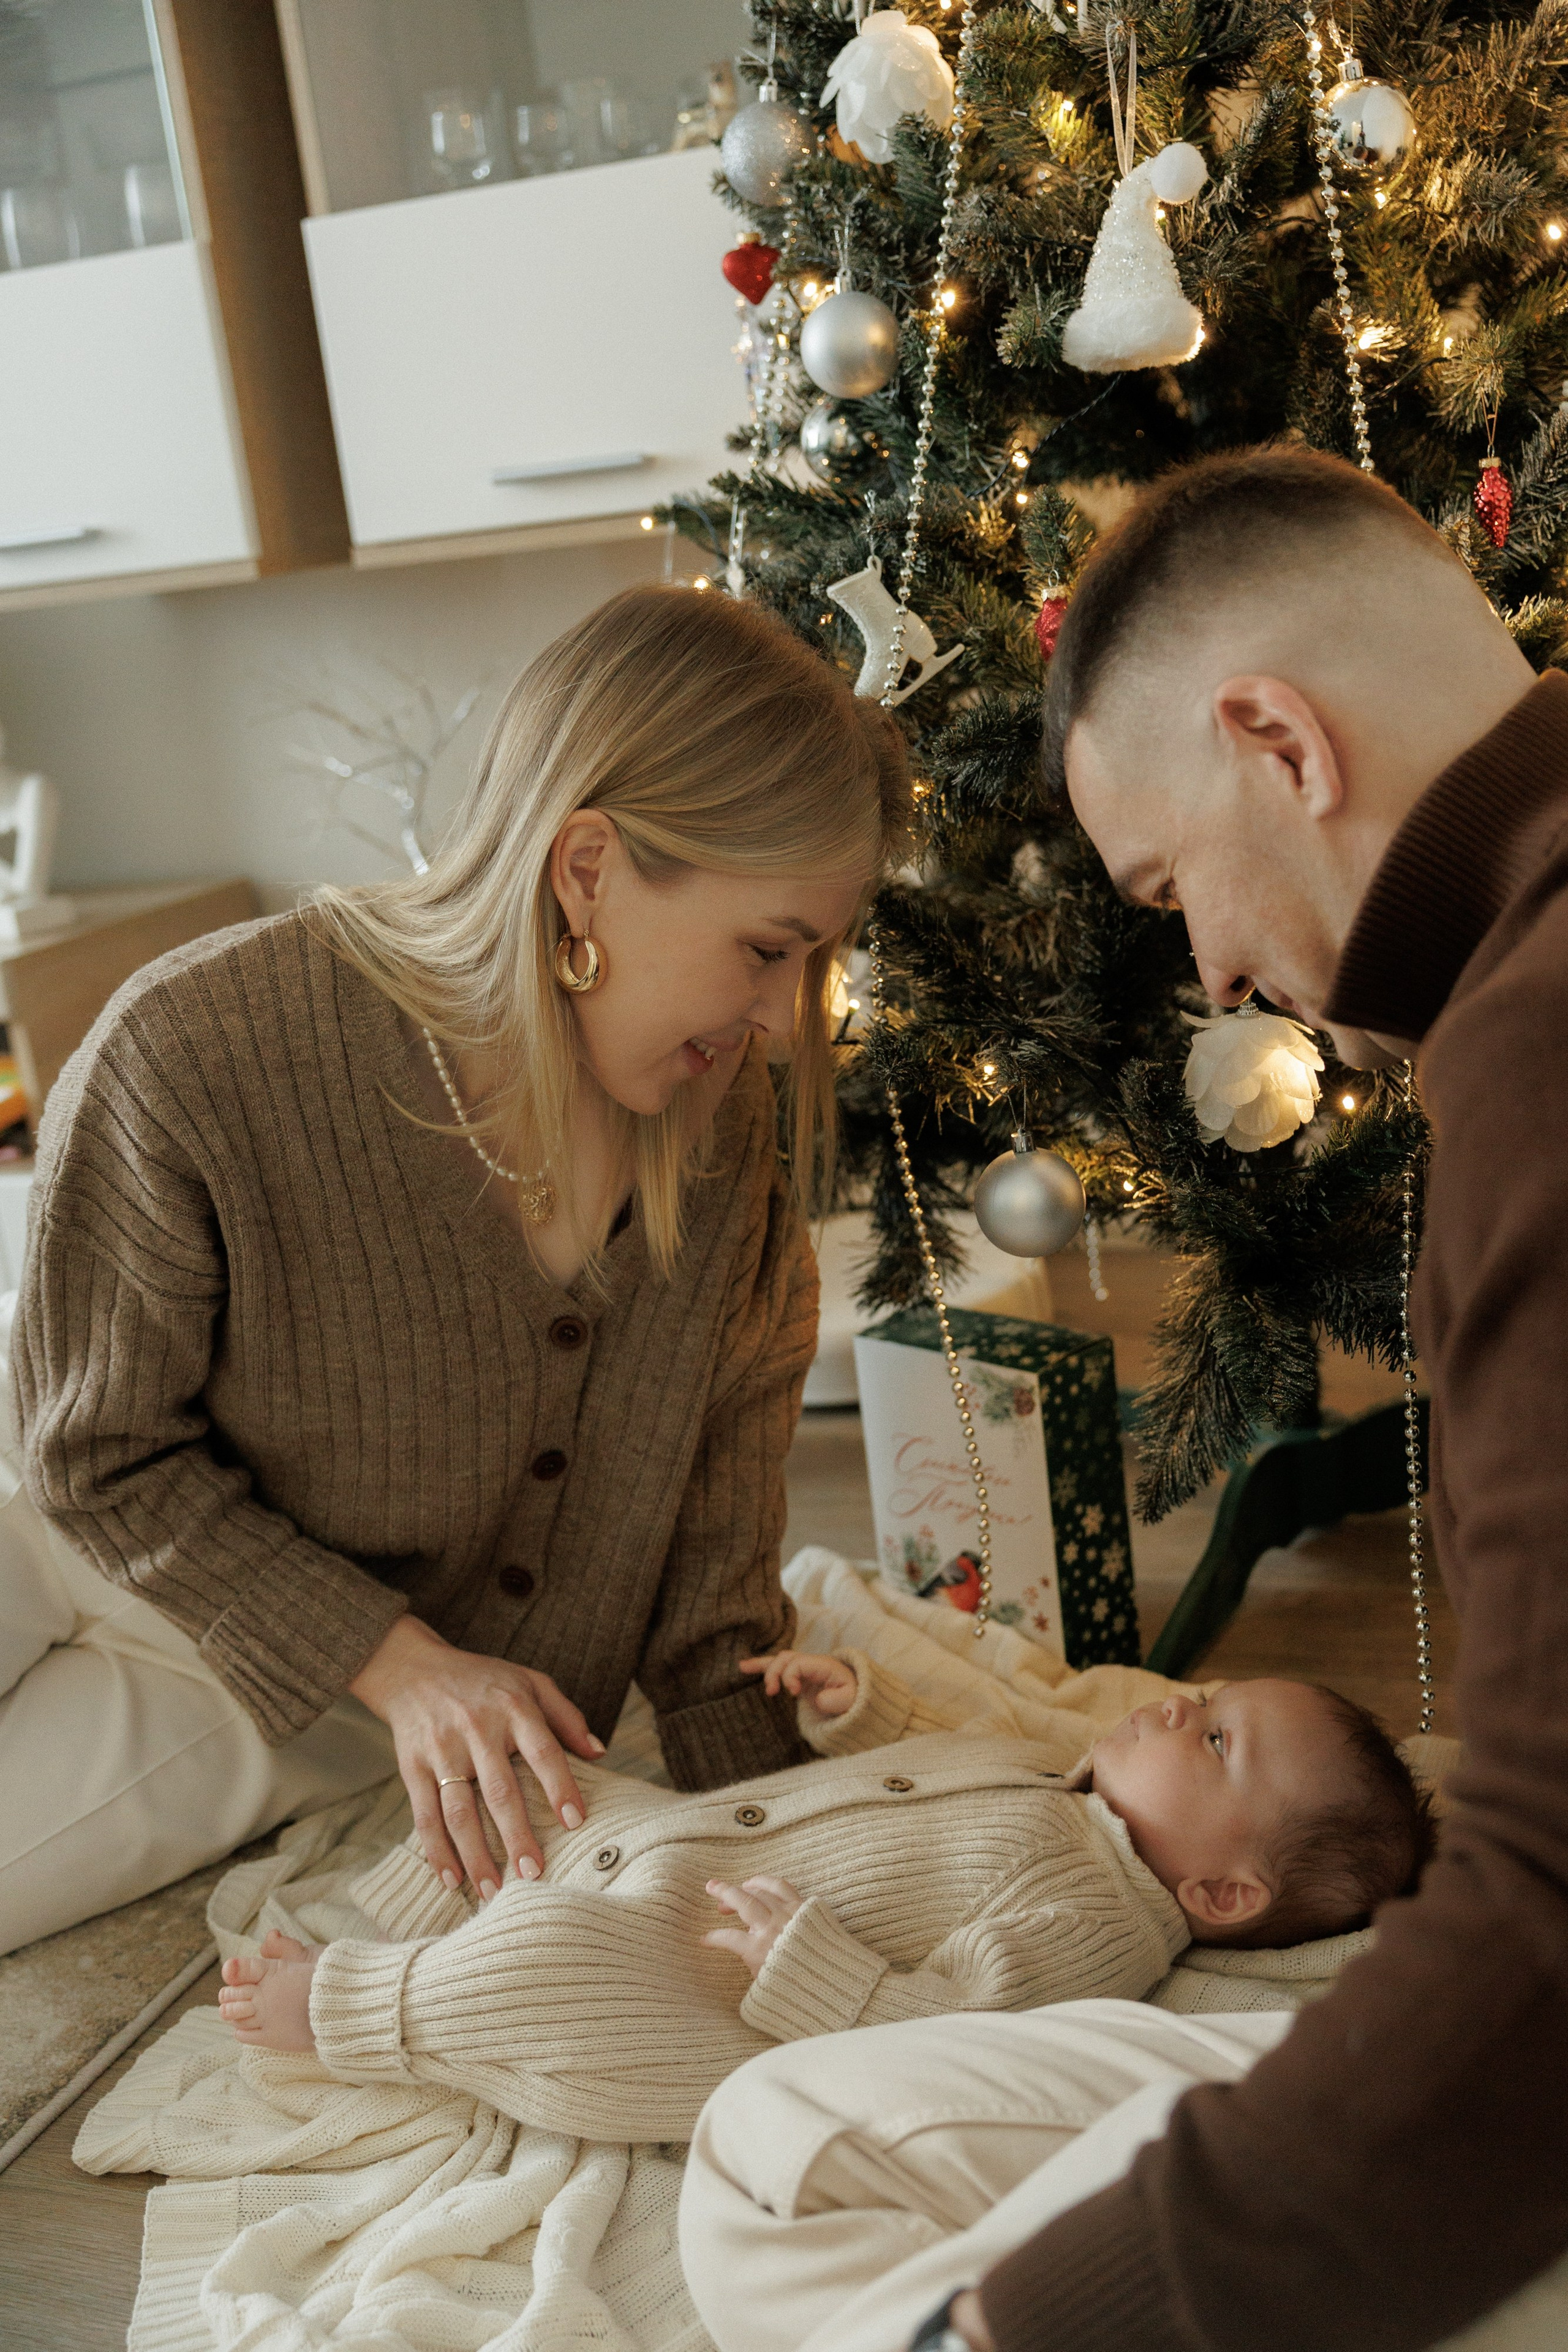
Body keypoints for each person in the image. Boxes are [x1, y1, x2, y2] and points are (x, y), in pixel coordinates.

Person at [677, 446, 1568, 2352]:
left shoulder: (1543, 1054)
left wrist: (1036, 2329)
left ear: (1279, 742)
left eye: (1174, 888)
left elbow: (1552, 1937)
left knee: (787, 2170)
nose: (1218, 968)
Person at [0, 584, 907, 1956]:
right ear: (586, 866)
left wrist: (790, 1878)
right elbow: (87, 1452)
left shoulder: (727, 1146)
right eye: (767, 951)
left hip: (259, 1691)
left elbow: (714, 1595)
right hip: (95, 1540)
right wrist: (409, 1669)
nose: (786, 1022)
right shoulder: (202, 1049)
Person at [214, 1646, 1428, 2146]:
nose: (1177, 1705)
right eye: (1208, 1696)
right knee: (553, 1789)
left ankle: (365, 2007)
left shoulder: (1102, 1925)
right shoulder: (1067, 1779)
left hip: (702, 1985)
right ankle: (394, 1913)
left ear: (1217, 1893)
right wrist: (861, 1711)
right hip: (687, 1852)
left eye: (1214, 1743)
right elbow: (954, 1741)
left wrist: (816, 1970)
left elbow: (958, 2029)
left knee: (552, 1960)